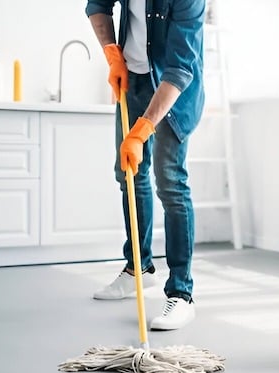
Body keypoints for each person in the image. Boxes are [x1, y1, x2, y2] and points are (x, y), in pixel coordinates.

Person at [85, 0, 206, 330]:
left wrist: (142, 130)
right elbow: (96, 4)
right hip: (134, 81)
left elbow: (181, 68)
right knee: (128, 173)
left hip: (173, 89)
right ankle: (138, 268)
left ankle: (181, 294)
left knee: (169, 181)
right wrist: (112, 53)